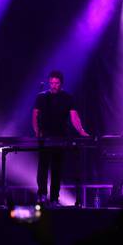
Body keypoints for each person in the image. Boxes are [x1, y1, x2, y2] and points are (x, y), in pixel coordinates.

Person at [33, 71, 89, 205]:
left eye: (56, 83)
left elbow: (74, 116)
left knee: (56, 169)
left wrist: (81, 131)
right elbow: (35, 115)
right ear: (49, 82)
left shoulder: (67, 97)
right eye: (51, 83)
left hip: (60, 136)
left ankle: (54, 198)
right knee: (42, 167)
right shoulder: (42, 97)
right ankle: (41, 195)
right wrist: (37, 131)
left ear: (61, 83)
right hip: (44, 136)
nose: (53, 85)